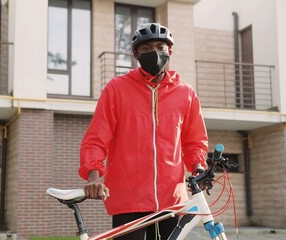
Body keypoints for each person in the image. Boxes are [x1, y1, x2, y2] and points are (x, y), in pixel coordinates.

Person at [78, 23, 208, 240]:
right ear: (136, 54)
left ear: (170, 52)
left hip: (171, 200)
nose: (154, 52)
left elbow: (194, 141)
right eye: (146, 48)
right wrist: (94, 176)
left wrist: (198, 168)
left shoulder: (186, 93)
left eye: (160, 46)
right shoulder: (117, 89)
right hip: (128, 198)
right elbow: (96, 138)